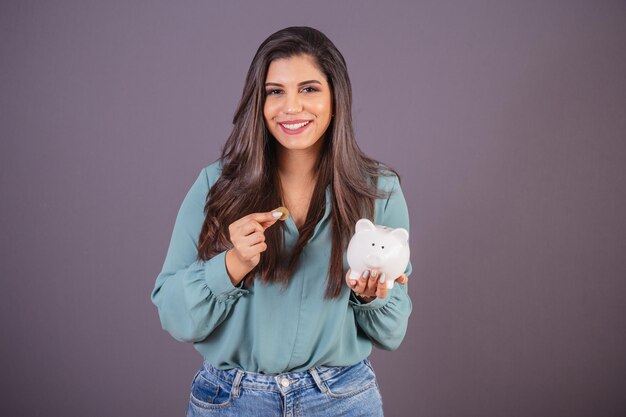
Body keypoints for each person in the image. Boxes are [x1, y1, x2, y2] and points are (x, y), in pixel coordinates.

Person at [151, 26, 412, 417]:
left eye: (309, 89)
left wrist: (372, 296)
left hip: (341, 400)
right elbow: (174, 316)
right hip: (231, 402)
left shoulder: (377, 191)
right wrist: (232, 264)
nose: (291, 107)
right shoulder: (216, 185)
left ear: (335, 99)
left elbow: (392, 333)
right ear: (259, 101)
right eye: (276, 91)